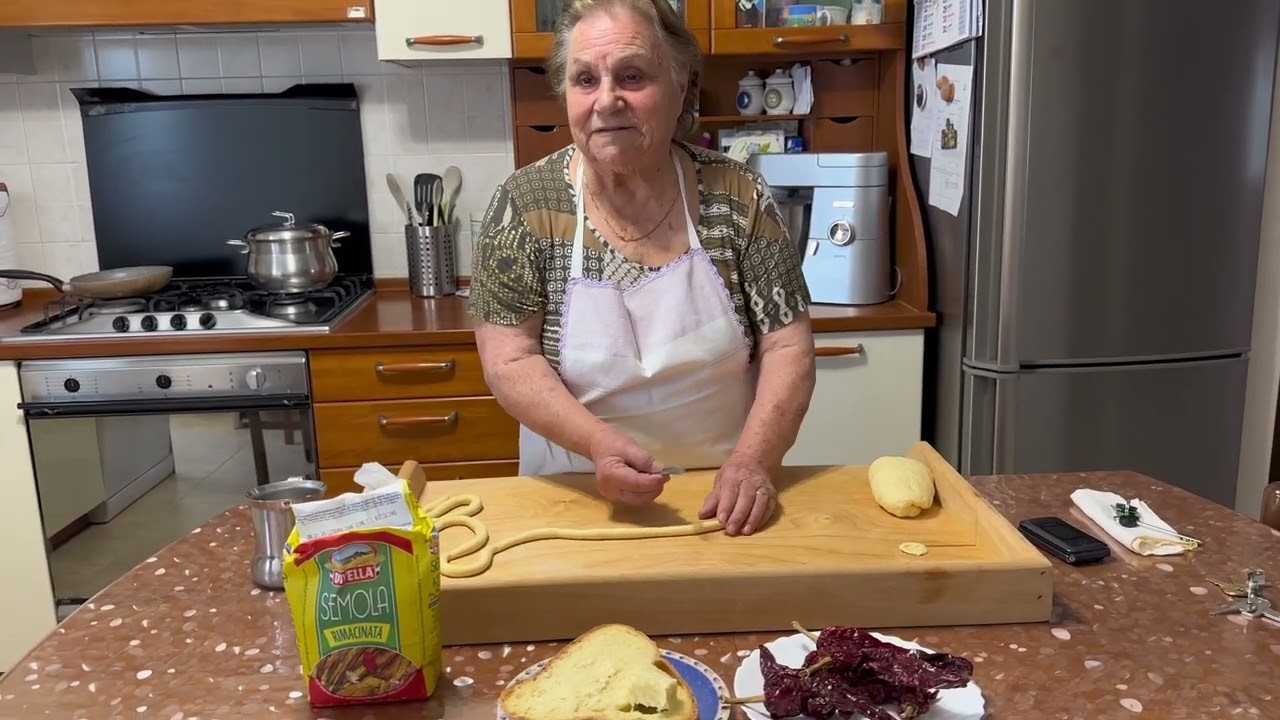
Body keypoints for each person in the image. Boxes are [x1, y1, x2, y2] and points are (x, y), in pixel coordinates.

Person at [468, 0, 816, 536]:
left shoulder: (738, 194)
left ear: (680, 87)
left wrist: (754, 462)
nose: (607, 100)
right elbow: (509, 359)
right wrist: (597, 443)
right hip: (575, 498)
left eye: (632, 76)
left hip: (722, 501)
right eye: (585, 79)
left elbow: (788, 346)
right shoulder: (525, 205)